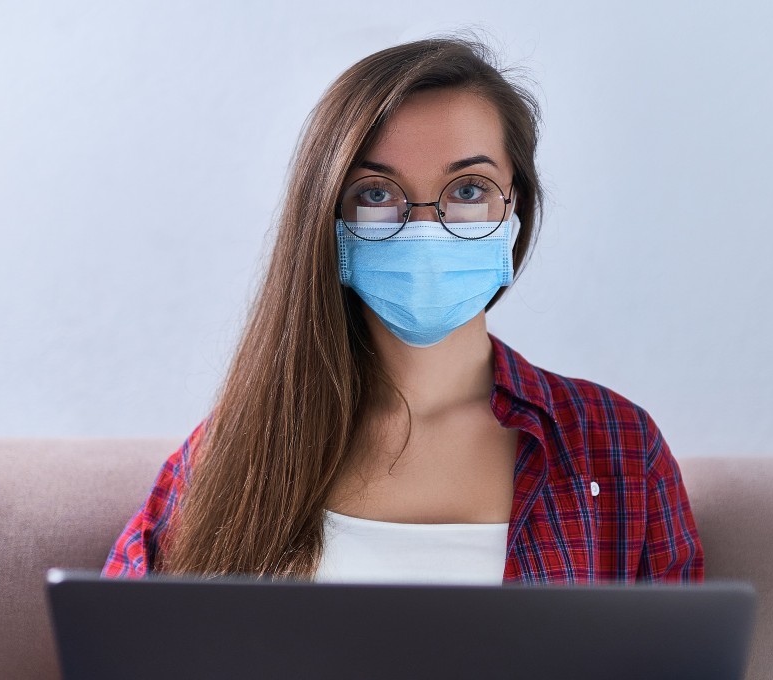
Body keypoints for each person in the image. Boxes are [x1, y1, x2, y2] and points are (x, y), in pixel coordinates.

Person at [102, 36, 703, 585]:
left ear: (514, 208)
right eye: (376, 194)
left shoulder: (617, 445)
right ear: (329, 221)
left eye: (468, 189)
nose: (423, 229)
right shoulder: (237, 450)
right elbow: (117, 645)